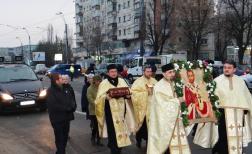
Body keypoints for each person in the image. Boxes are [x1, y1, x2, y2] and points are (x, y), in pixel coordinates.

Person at [195, 60, 252, 154]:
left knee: (237, 136)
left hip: (238, 115)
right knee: (223, 137)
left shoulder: (240, 81)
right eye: (225, 67)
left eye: (229, 68)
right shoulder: (217, 81)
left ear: (234, 69)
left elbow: (246, 97)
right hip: (222, 114)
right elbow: (210, 97)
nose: (226, 69)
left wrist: (246, 109)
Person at [147, 63, 191, 154]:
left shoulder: (176, 83)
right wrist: (178, 101)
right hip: (165, 121)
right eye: (169, 72)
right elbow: (162, 105)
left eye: (173, 72)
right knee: (167, 143)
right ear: (164, 74)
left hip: (177, 118)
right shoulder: (159, 86)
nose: (172, 74)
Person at [95, 64, 136, 154]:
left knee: (122, 130)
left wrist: (129, 95)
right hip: (110, 112)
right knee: (112, 132)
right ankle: (114, 150)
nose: (114, 73)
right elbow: (98, 99)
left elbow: (129, 91)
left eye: (115, 71)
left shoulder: (122, 81)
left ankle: (119, 148)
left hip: (122, 111)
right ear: (108, 73)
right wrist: (106, 97)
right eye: (112, 72)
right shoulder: (104, 83)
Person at [46, 73, 76, 154]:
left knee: (65, 136)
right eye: (60, 78)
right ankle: (61, 151)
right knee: (60, 137)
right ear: (56, 81)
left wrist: (73, 106)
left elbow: (71, 98)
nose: (62, 80)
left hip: (66, 118)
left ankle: (61, 151)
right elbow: (53, 105)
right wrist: (66, 108)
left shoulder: (65, 88)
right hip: (57, 119)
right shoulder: (50, 91)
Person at [131, 65, 157, 148]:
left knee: (151, 127)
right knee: (142, 126)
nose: (149, 73)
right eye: (147, 72)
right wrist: (146, 93)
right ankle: (138, 141)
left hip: (152, 109)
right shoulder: (138, 81)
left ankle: (149, 143)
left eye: (150, 72)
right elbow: (133, 93)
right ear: (144, 72)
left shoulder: (154, 81)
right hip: (143, 110)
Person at [86, 75, 103, 146]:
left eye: (99, 81)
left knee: (100, 126)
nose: (98, 82)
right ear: (94, 81)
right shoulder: (90, 88)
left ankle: (99, 140)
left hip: (101, 110)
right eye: (97, 81)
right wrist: (96, 103)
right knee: (95, 126)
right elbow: (90, 99)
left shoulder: (101, 88)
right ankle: (93, 138)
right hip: (93, 111)